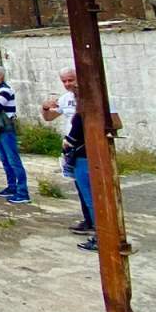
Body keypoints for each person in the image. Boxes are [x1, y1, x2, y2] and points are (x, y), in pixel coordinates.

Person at [42, 67, 94, 242]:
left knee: (91, 192)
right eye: (64, 81)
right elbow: (48, 117)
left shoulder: (92, 99)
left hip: (87, 149)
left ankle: (100, 231)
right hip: (73, 151)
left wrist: (75, 138)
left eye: (71, 80)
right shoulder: (65, 99)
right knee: (82, 189)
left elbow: (115, 122)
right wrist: (45, 107)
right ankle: (89, 221)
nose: (67, 84)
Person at [0, 66, 30, 204]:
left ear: (0, 75)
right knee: (4, 159)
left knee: (13, 160)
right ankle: (11, 186)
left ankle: (22, 192)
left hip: (6, 128)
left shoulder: (6, 90)